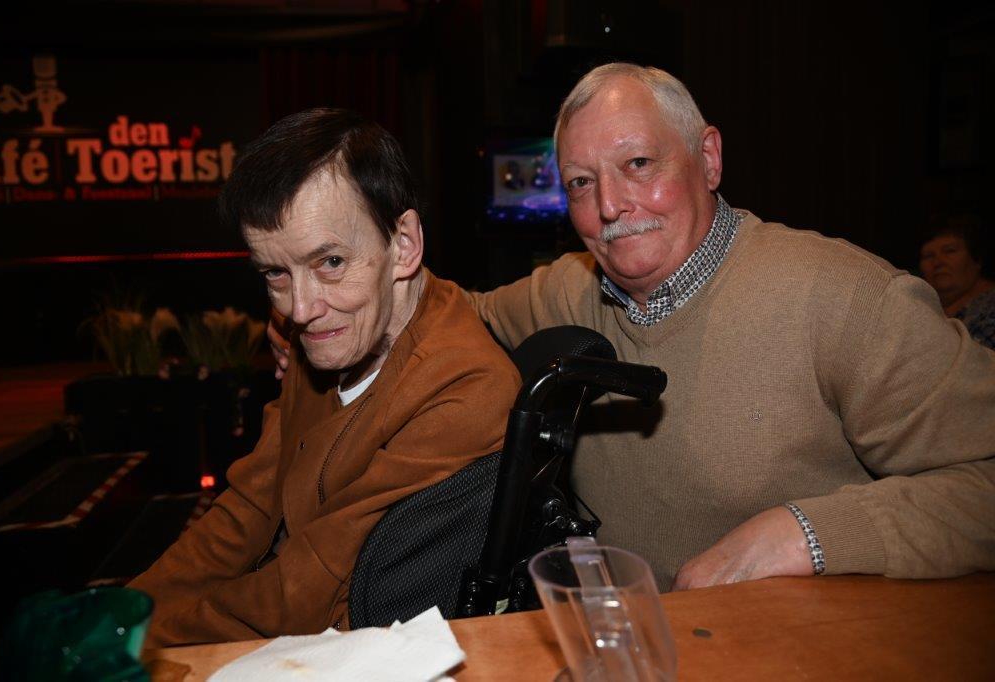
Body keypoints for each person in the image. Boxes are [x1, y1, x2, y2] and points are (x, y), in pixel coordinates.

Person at [271, 64, 995, 594]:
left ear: (708, 158)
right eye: (581, 183)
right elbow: (453, 311)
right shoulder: (568, 289)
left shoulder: (847, 300)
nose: (610, 206)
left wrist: (803, 534)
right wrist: (326, 314)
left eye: (639, 164)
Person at [129, 108, 520, 646]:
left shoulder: (464, 390)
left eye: (330, 262)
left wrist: (142, 642)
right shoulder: (321, 336)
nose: (301, 308)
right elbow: (250, 504)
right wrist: (128, 610)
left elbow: (310, 588)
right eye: (275, 273)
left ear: (404, 244)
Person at [919, 222, 995, 349]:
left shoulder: (990, 307)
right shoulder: (919, 313)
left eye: (950, 251)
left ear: (976, 259)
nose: (938, 262)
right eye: (928, 256)